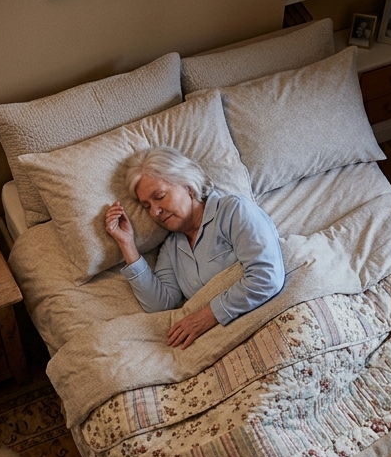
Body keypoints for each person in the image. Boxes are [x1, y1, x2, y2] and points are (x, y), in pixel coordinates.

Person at [104, 146, 284, 350]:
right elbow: (160, 304)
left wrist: (206, 316)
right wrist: (127, 245)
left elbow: (267, 277)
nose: (155, 212)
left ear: (188, 186)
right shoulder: (171, 248)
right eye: (146, 206)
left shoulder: (233, 211)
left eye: (160, 196)